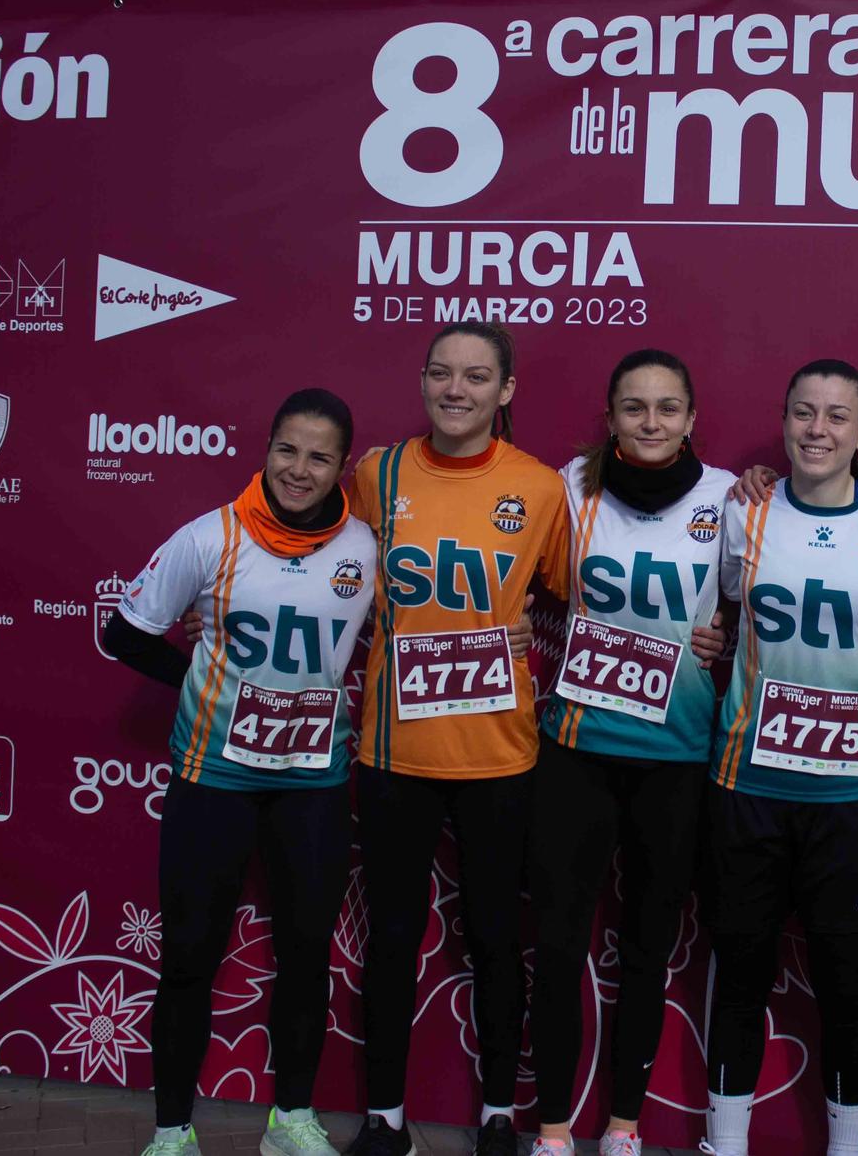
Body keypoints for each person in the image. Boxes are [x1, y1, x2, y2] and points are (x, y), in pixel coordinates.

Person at [106, 388, 376, 1156]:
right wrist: (200, 677)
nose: (299, 468)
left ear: (342, 467)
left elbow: (408, 634)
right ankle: (172, 1131)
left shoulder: (366, 547)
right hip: (213, 777)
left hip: (313, 785)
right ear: (266, 447)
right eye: (287, 448)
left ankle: (290, 1120)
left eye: (319, 455)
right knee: (190, 952)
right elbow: (121, 633)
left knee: (305, 953)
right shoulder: (208, 538)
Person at [345, 323, 569, 1156]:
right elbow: (314, 553)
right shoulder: (377, 471)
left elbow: (585, 594)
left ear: (505, 391)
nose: (455, 388)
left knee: (495, 939)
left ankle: (499, 1115)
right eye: (441, 372)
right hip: (395, 750)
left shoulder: (542, 487)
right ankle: (386, 1119)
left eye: (477, 376)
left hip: (499, 753)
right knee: (394, 936)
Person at [702, 359, 858, 1156]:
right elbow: (717, 613)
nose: (817, 429)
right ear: (784, 420)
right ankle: (724, 1144)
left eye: (836, 417)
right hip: (747, 786)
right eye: (803, 412)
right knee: (741, 975)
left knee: (844, 988)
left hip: (852, 796)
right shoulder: (743, 512)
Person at [527, 349, 732, 1156]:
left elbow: (774, 599)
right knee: (556, 939)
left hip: (677, 756)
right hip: (576, 749)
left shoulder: (731, 499)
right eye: (635, 407)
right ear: (610, 417)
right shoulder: (567, 487)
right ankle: (550, 1131)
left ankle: (622, 1127)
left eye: (668, 407)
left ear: (692, 418)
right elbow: (506, 568)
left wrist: (720, 636)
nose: (651, 422)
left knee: (648, 946)